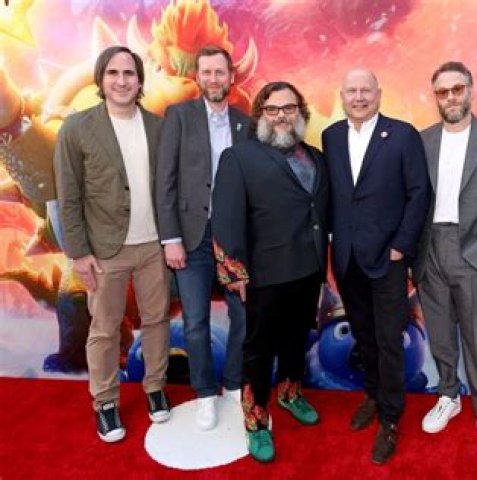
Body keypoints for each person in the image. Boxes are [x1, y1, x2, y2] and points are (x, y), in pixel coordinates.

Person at [54, 45, 171, 443]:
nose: (122, 81)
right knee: (104, 329)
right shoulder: (77, 128)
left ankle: (155, 387)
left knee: (157, 320)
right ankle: (105, 401)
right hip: (105, 250)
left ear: (139, 80)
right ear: (101, 80)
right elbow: (68, 196)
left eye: (129, 73)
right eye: (113, 73)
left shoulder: (158, 126)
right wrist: (79, 253)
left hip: (153, 246)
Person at [211, 81, 328, 463]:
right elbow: (226, 220)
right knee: (258, 352)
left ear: (300, 113)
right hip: (263, 276)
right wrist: (235, 273)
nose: (281, 116)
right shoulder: (239, 157)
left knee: (297, 340)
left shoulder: (316, 157)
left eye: (289, 108)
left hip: (308, 270)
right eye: (273, 109)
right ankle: (256, 420)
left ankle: (290, 394)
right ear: (261, 115)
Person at [322, 68, 430, 464]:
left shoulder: (402, 135)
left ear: (379, 94)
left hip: (388, 258)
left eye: (365, 90)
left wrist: (402, 247)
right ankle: (372, 394)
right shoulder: (331, 136)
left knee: (389, 339)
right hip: (347, 258)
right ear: (342, 96)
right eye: (351, 91)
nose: (359, 97)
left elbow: (419, 193)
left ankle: (391, 418)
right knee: (364, 335)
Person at [413, 61, 477, 461]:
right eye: (443, 92)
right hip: (428, 250)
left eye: (457, 89)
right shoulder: (422, 141)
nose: (451, 97)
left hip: (472, 249)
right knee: (439, 332)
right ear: (435, 97)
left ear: (470, 90)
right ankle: (448, 394)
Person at [155, 45, 250, 430]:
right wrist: (170, 238)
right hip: (191, 237)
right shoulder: (178, 116)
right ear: (197, 77)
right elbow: (165, 181)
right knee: (195, 321)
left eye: (220, 72)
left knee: (243, 315)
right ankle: (205, 393)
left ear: (231, 77)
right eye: (207, 72)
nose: (213, 79)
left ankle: (233, 384)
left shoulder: (246, 123)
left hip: (234, 239)